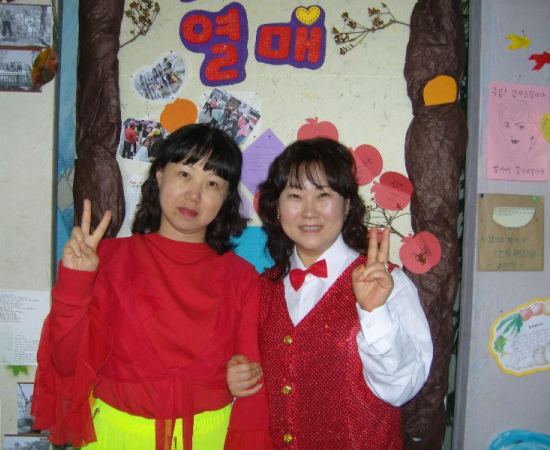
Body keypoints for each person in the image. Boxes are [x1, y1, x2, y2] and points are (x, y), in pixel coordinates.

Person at [32, 124, 271, 449]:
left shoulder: (243, 278)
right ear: (159, 175)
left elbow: (253, 379)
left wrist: (243, 374)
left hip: (212, 437)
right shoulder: (106, 260)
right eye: (184, 174)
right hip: (114, 436)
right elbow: (65, 363)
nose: (194, 195)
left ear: (226, 197)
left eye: (212, 183)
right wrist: (75, 282)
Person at [228, 137, 433, 449]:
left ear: (347, 205)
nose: (309, 212)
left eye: (323, 194)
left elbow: (401, 389)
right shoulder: (263, 287)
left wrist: (374, 313)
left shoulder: (390, 283)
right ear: (278, 208)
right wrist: (233, 378)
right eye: (295, 195)